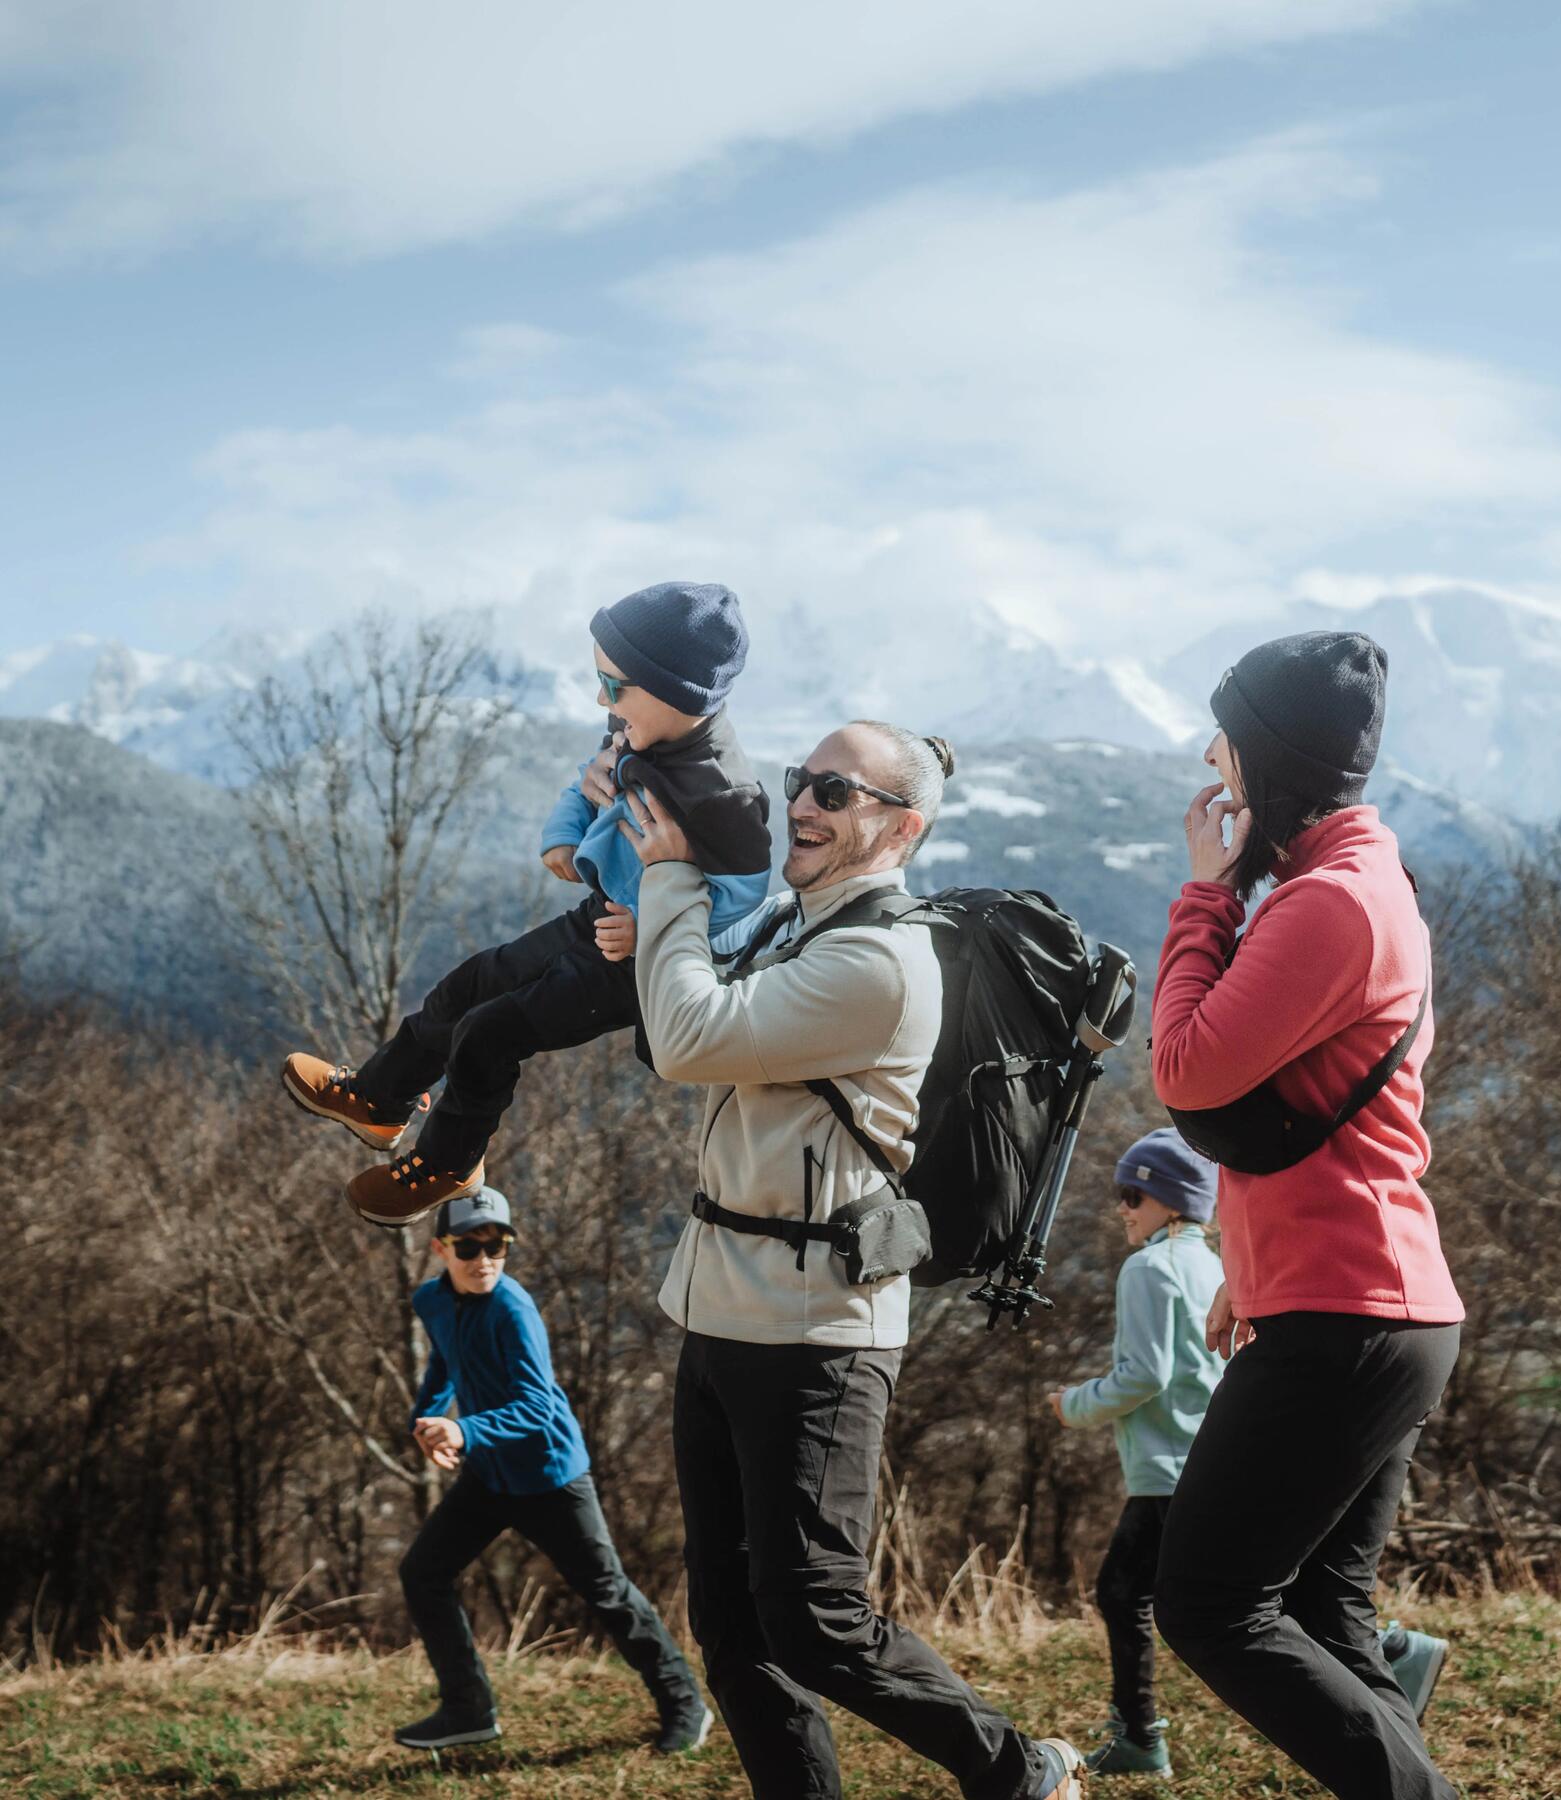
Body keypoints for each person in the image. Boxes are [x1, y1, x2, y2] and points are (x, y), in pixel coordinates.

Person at [622, 719, 1087, 1800]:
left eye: (835, 791)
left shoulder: (877, 960)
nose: (804, 804)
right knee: (733, 1624)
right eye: (801, 782)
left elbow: (691, 1040)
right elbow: (678, 1017)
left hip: (814, 1331)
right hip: (723, 1303)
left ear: (900, 827)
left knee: (816, 1619)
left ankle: (1023, 1773)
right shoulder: (804, 920)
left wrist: (669, 883)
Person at [1149, 630, 1464, 1800]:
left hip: (1350, 1313)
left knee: (1210, 1601)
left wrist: (1201, 894)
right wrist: (1253, 1259)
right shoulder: (1355, 883)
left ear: (1269, 758)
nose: (1210, 763)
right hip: (1368, 1299)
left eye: (1224, 739)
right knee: (1327, 1613)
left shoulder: (1330, 901)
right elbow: (1318, 1112)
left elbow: (1186, 1068)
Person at [281, 580, 772, 1224]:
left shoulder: (725, 798)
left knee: (490, 1034)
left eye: (615, 687)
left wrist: (652, 929)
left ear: (679, 693)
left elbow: (740, 905)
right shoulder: (639, 723)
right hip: (593, 918)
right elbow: (594, 774)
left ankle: (450, 1164)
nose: (603, 700)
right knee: (469, 986)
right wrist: (566, 829)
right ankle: (379, 1099)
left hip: (635, 963)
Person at [393, 1185, 711, 1754]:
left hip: (551, 1478)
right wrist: (426, 1420)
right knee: (423, 1573)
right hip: (489, 1475)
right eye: (469, 1247)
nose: (484, 1259)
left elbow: (539, 1409)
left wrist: (464, 1429)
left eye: (498, 1245)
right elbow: (446, 1358)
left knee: (609, 1594)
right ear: (441, 1249)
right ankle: (468, 1709)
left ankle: (686, 1704)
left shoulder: (513, 1310)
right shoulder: (431, 1301)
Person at [1050, 1127, 1225, 1779]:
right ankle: (1390, 1649)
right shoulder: (1213, 1264)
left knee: (1123, 1594)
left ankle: (1139, 1740)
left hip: (1168, 1468)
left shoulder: (1150, 1267)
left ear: (1172, 1203)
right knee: (1245, 1595)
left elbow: (1143, 1375)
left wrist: (1074, 1404)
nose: (1122, 1206)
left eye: (1133, 1193)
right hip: (1210, 1458)